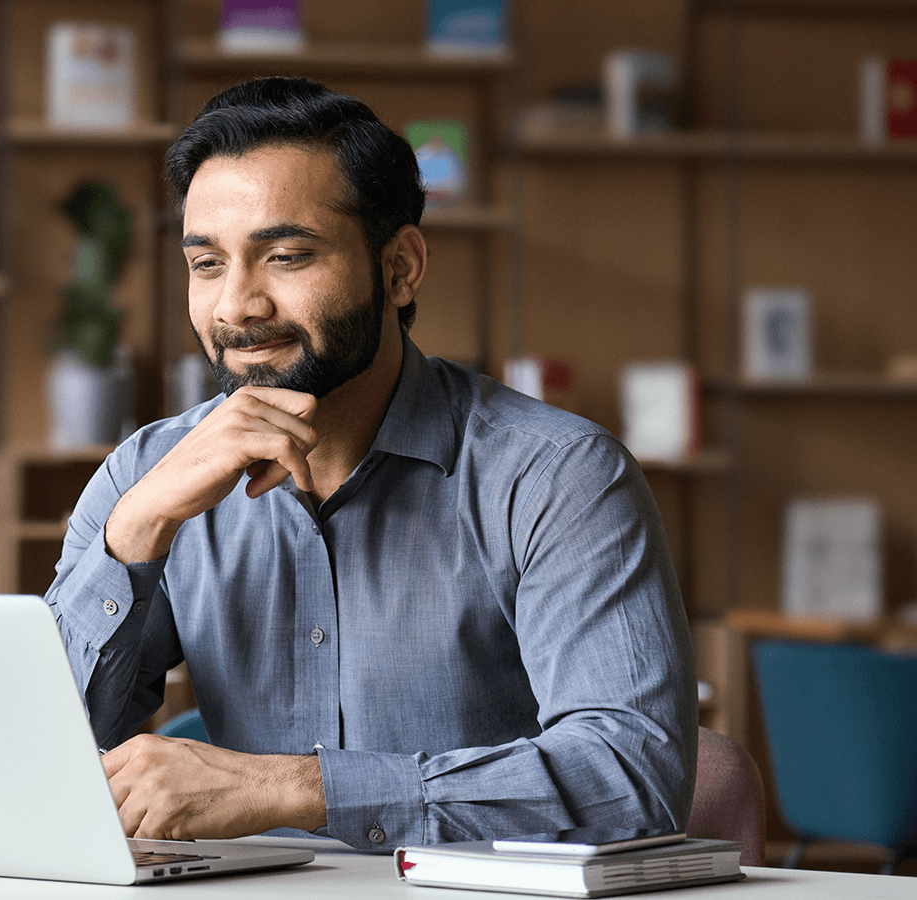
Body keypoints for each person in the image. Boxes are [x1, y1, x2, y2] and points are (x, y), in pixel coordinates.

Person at [44, 76, 696, 850]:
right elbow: (31, 761)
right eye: (208, 264)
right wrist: (135, 534)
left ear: (400, 268)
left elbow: (632, 778)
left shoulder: (558, 477)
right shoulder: (144, 476)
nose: (236, 308)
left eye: (285, 256)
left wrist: (298, 788)